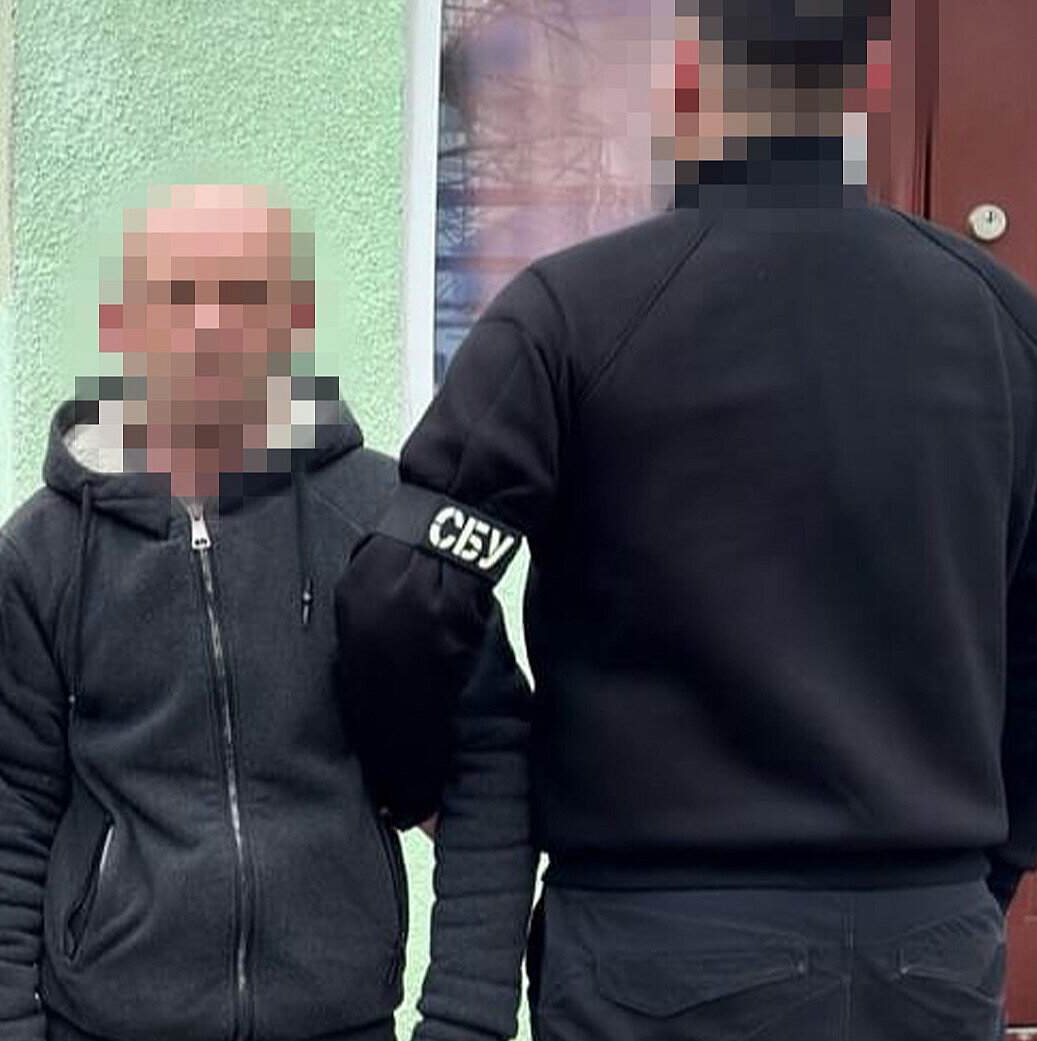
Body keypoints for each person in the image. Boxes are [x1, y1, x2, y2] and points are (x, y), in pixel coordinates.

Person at [336, 3, 1037, 1039]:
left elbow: (405, 588)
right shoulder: (1003, 321)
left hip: (659, 952)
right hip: (924, 951)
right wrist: (987, 872)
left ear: (685, 84)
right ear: (871, 85)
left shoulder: (574, 311)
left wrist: (416, 781)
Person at [0, 184, 532, 1041]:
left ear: (294, 319)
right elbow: (6, 813)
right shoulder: (39, 551)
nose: (209, 325)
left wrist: (465, 1018)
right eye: (177, 295)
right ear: (120, 322)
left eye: (244, 294)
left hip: (338, 1023)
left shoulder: (386, 520)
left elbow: (486, 764)